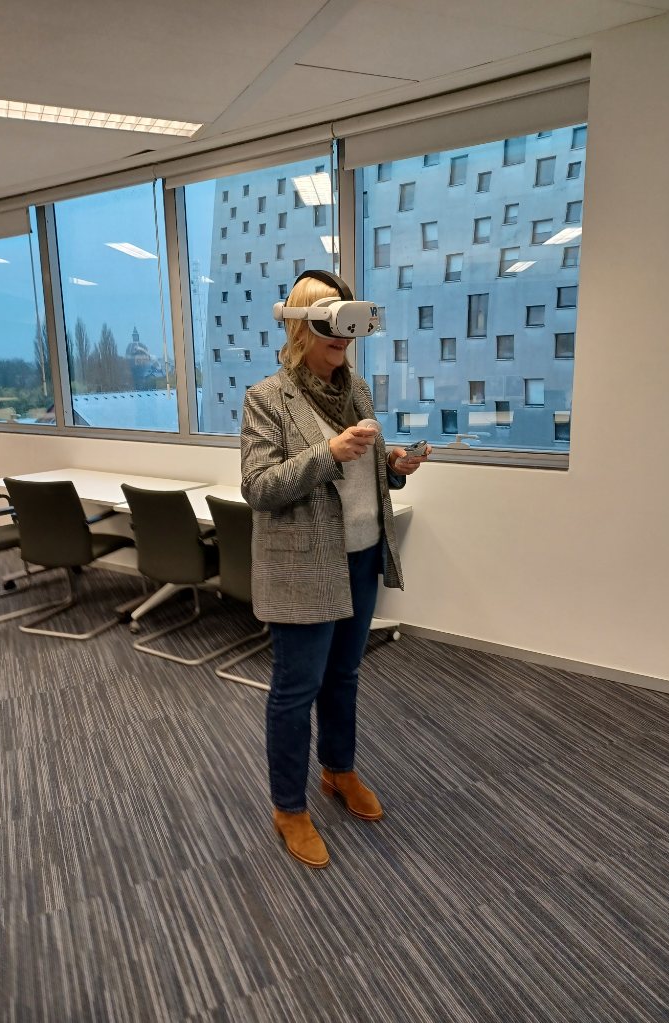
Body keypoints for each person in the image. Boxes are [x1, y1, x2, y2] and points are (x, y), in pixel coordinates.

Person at [240, 270, 429, 868]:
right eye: (332, 323)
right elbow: (258, 487)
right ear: (303, 326)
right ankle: (288, 807)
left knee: (344, 675)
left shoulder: (356, 390)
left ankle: (338, 771)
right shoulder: (267, 398)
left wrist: (391, 465)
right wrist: (327, 453)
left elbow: (362, 471)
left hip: (362, 553)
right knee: (296, 690)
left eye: (351, 324)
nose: (344, 337)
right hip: (304, 567)